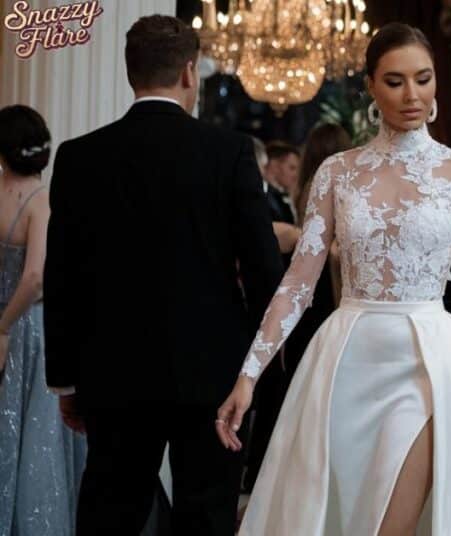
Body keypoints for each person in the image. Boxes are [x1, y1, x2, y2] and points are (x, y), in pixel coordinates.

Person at [216, 23, 451, 536]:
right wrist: (249, 374)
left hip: (432, 362)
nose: (413, 95)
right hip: (347, 362)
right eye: (396, 81)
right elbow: (298, 282)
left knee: (392, 525)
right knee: (343, 518)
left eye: (423, 79)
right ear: (371, 87)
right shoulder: (338, 172)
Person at [43, 15, 283, 535]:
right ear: (190, 73)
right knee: (207, 515)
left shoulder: (79, 157)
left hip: (112, 371)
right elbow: (264, 266)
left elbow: (61, 277)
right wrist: (261, 365)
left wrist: (66, 381)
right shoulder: (229, 152)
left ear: (132, 73)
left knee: (110, 512)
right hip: (213, 374)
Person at [242, 123, 351, 493]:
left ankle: (283, 472)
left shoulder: (314, 189)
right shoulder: (327, 188)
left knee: (300, 385)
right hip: (321, 292)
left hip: (319, 295)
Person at [0, 105, 86, 535]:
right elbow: (35, 277)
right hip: (30, 329)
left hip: (5, 323)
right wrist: (4, 326)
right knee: (36, 440)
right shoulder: (43, 202)